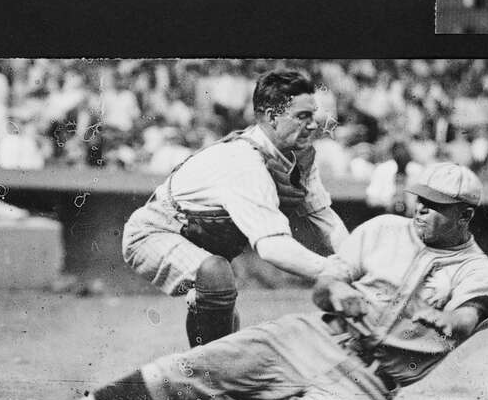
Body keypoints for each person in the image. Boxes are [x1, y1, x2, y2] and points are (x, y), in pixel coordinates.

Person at [9, 163, 488, 400]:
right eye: (421, 199)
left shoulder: (476, 270)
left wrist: (449, 321)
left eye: (436, 206)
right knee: (190, 367)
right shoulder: (381, 231)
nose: (422, 209)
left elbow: (469, 315)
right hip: (312, 338)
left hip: (372, 383)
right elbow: (324, 287)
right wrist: (335, 291)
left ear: (466, 216)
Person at [121, 69, 348, 350]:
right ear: (271, 116)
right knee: (216, 278)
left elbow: (323, 217)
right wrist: (333, 270)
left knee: (227, 334)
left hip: (202, 244)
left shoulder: (300, 157)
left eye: (312, 115)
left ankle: (206, 373)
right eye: (302, 116)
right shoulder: (242, 163)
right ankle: (206, 379)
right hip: (155, 232)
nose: (314, 125)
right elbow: (273, 248)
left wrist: (354, 262)